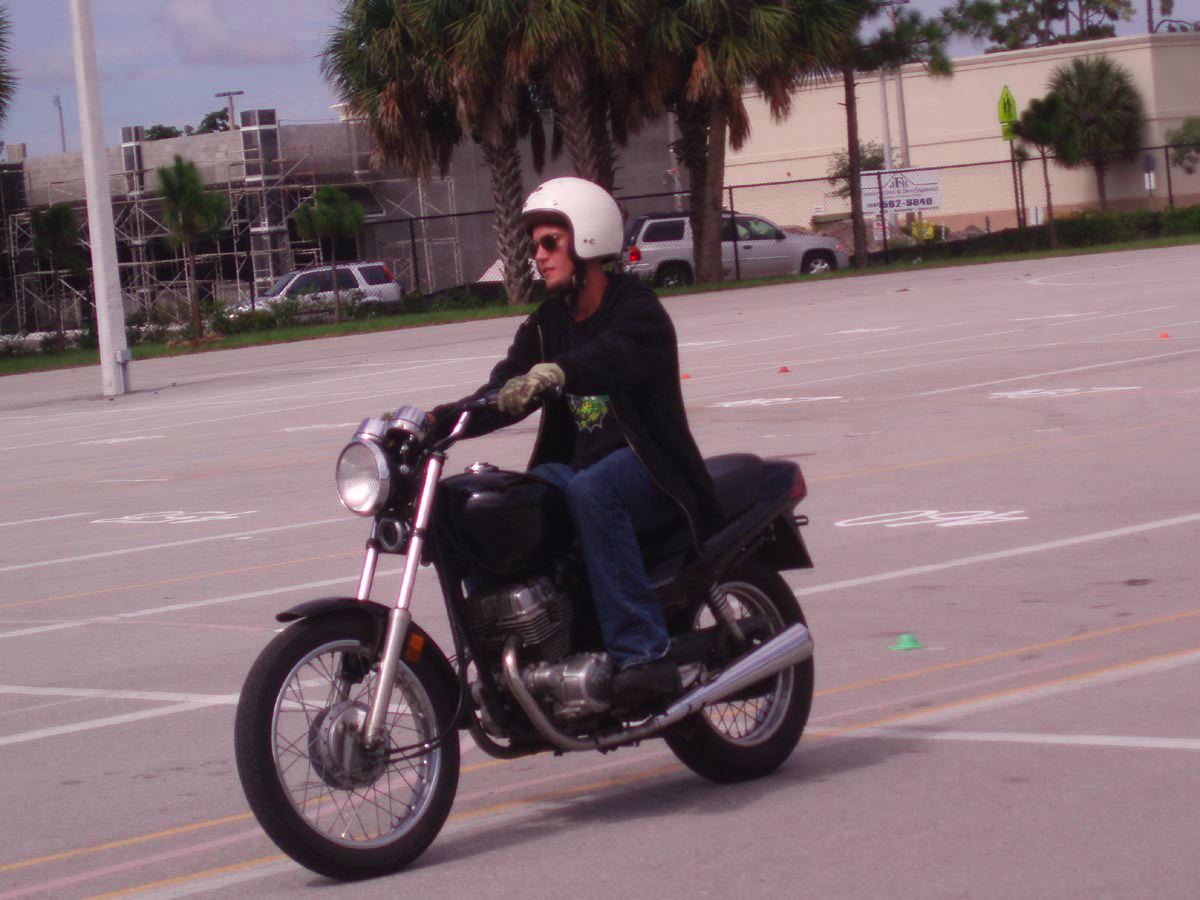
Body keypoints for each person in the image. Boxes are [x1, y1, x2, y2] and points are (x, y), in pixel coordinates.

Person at [431, 177, 719, 710]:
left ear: (587, 238)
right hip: (577, 468)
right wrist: (436, 422)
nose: (538, 256)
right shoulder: (548, 323)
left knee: (593, 491)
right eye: (534, 246)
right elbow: (503, 389)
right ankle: (513, 653)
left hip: (651, 467)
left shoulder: (636, 308)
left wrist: (559, 371)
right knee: (485, 508)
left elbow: (612, 355)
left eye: (550, 243)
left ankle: (643, 655)